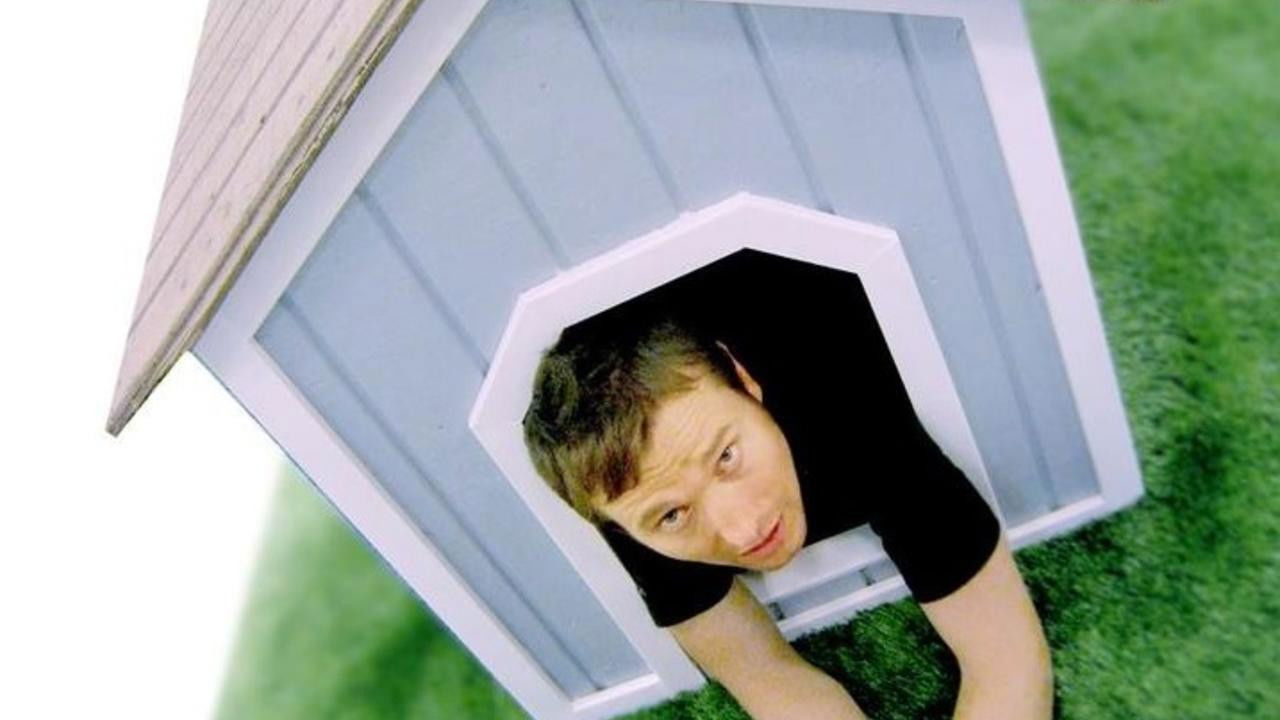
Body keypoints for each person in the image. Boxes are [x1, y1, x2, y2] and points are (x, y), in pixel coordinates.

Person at [521, 252, 1053, 719]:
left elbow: (1006, 661)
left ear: (745, 380)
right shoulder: (632, 494)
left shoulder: (852, 402)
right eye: (674, 515)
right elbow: (773, 686)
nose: (742, 529)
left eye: (726, 457)